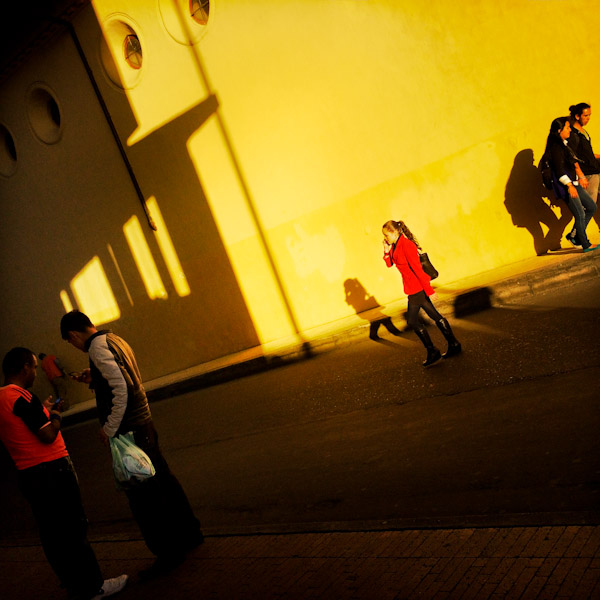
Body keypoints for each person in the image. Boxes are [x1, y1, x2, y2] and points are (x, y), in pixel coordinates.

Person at [59, 310, 204, 580]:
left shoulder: (97, 347)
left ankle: (169, 553)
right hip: (144, 423)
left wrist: (109, 427)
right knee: (164, 480)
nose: (74, 346)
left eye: (70, 342)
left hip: (129, 431)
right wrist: (94, 378)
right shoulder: (113, 338)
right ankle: (190, 533)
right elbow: (120, 376)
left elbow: (122, 386)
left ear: (74, 334)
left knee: (144, 496)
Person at [0, 347, 128, 600]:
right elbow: (47, 434)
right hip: (52, 471)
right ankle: (93, 587)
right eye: (34, 367)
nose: (36, 373)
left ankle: (74, 585)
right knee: (72, 530)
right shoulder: (20, 397)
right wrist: (56, 415)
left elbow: (24, 426)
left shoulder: (4, 398)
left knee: (53, 534)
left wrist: (44, 411)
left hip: (29, 475)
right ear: (25, 367)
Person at [382, 220, 461, 366]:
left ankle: (433, 351)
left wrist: (429, 291)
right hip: (413, 288)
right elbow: (389, 264)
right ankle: (453, 344)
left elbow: (418, 270)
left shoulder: (406, 245)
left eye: (387, 235)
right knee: (434, 315)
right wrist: (386, 251)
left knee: (412, 321)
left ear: (394, 232)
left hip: (417, 288)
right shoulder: (395, 246)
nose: (385, 238)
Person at [544, 116, 599, 252]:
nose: (570, 130)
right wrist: (569, 186)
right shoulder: (556, 148)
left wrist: (580, 177)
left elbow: (572, 163)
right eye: (567, 128)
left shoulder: (564, 144)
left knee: (591, 207)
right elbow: (559, 171)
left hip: (574, 183)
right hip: (567, 186)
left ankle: (574, 235)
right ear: (559, 130)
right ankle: (585, 244)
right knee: (579, 214)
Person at [567, 103, 600, 233]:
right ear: (577, 116)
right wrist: (580, 174)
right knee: (590, 206)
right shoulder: (573, 134)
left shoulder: (583, 131)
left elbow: (587, 153)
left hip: (596, 169)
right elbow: (572, 156)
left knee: (592, 205)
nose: (588, 118)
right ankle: (576, 234)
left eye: (589, 115)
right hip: (588, 174)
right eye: (585, 115)